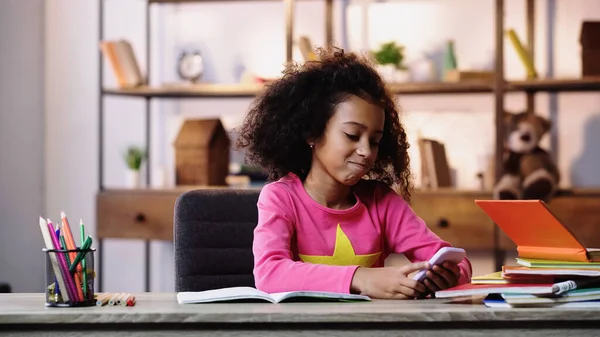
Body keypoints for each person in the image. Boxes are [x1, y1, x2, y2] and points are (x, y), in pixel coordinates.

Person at [235, 47, 472, 300]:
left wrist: (450, 274)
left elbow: (457, 262)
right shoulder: (280, 198)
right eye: (352, 135)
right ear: (312, 133)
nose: (365, 151)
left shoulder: (382, 202)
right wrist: (360, 278)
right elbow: (269, 274)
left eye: (375, 140)